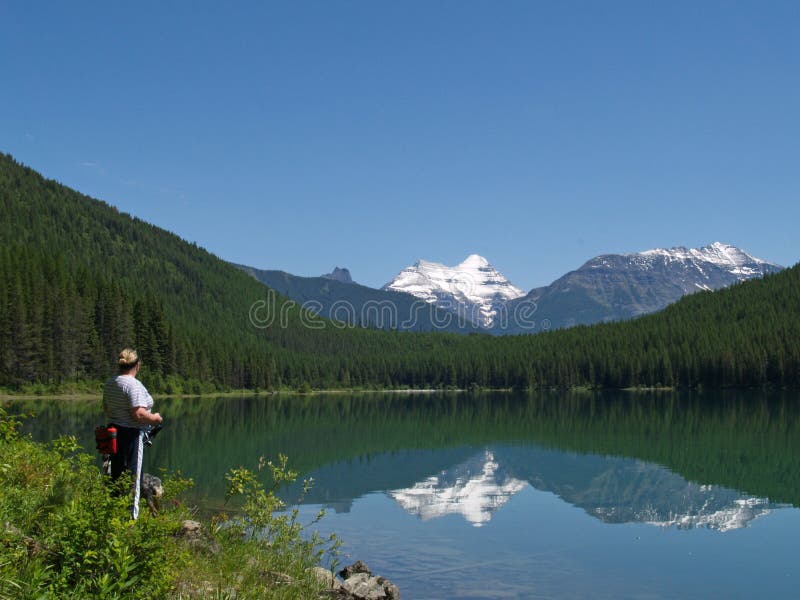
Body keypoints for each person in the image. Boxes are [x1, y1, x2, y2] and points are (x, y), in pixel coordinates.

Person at [102, 348, 163, 520]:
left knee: (116, 476)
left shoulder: (111, 383)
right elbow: (139, 414)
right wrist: (155, 419)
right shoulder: (133, 385)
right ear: (137, 365)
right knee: (134, 480)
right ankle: (131, 522)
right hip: (132, 436)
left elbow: (106, 408)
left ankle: (113, 514)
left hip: (114, 434)